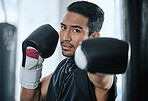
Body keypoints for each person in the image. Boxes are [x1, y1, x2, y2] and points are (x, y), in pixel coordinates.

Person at [20, 1, 117, 101]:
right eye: (63, 27)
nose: (65, 37)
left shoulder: (93, 74)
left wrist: (102, 62)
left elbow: (102, 80)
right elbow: (34, 98)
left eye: (76, 30)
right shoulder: (63, 67)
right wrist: (29, 70)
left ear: (94, 37)